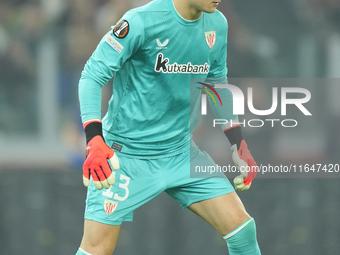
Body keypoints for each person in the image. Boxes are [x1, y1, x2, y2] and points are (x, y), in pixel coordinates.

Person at [76, 0, 261, 254]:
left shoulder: (218, 24)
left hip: (181, 153)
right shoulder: (140, 21)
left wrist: (238, 144)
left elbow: (218, 84)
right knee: (96, 250)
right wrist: (94, 140)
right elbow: (91, 75)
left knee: (243, 231)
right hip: (125, 156)